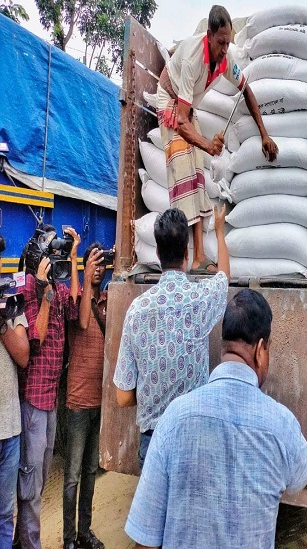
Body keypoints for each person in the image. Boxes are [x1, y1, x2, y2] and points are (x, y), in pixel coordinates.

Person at [125, 289, 307, 549]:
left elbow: (145, 539)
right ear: (261, 350)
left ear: (224, 345)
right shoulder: (278, 424)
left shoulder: (174, 418)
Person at [155, 4, 278, 274]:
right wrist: (209, 145)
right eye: (221, 42)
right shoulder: (192, 59)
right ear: (209, 35)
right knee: (184, 171)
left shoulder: (224, 60)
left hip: (186, 107)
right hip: (169, 101)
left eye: (228, 42)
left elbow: (247, 91)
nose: (225, 48)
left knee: (198, 175)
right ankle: (185, 260)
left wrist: (264, 134)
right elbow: (183, 121)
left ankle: (199, 256)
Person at [113, 205, 231, 468]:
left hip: (152, 445)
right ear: (187, 254)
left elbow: (122, 397)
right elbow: (224, 278)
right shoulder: (200, 299)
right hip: (193, 442)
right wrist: (220, 232)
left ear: (156, 252)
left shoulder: (136, 311)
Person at [16, 225, 79, 549]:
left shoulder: (56, 284)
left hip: (50, 399)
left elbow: (76, 306)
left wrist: (73, 257)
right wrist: (42, 291)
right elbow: (34, 339)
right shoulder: (27, 287)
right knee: (32, 479)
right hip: (33, 402)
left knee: (37, 479)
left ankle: (20, 540)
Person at [63, 244, 110, 549]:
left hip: (98, 401)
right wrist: (81, 268)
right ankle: (68, 539)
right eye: (95, 263)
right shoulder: (76, 299)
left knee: (91, 472)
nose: (99, 268)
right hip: (78, 403)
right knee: (71, 476)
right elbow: (81, 321)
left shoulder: (106, 301)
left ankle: (85, 532)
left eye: (101, 263)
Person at [0, 238, 29, 549]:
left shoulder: (9, 299)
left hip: (9, 428)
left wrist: (1, 323)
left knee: (6, 515)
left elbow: (23, 355)